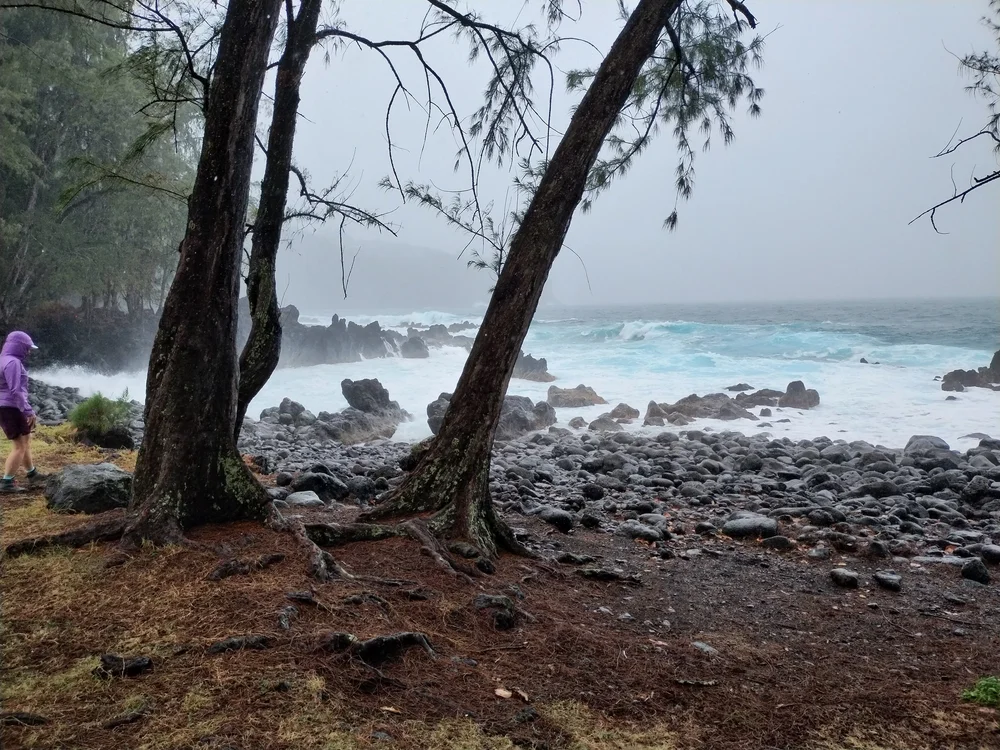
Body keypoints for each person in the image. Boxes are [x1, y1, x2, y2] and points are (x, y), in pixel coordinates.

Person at [0, 331, 44, 491]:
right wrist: (28, 411)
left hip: (6, 407)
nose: (29, 351)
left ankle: (32, 473)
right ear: (19, 346)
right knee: (19, 445)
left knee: (25, 440)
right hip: (12, 407)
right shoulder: (13, 363)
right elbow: (16, 390)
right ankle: (7, 482)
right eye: (27, 347)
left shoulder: (3, 360)